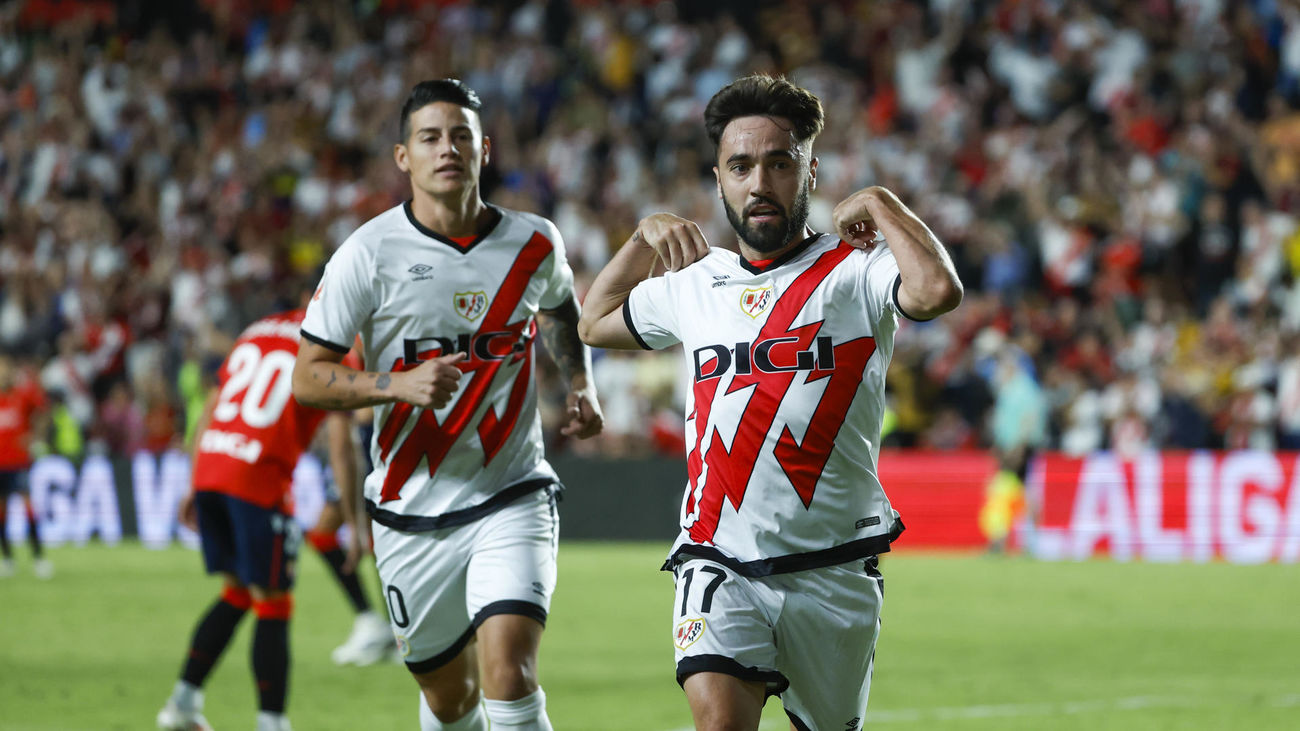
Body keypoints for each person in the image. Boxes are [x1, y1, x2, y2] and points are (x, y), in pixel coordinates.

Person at [577, 74, 963, 731]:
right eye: (741, 166)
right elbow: (594, 320)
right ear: (719, 177)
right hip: (717, 557)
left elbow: (935, 293)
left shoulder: (857, 268)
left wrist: (879, 199)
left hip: (833, 569)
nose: (759, 183)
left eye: (779, 163)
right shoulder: (695, 282)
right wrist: (643, 239)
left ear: (811, 169)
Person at [291, 79, 603, 731]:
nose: (447, 148)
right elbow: (307, 379)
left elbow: (560, 312)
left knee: (510, 675)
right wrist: (391, 384)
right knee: (448, 699)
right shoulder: (367, 255)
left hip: (511, 493)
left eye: (460, 135)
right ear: (403, 157)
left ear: (484, 148)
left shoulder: (534, 241)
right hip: (410, 511)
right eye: (429, 137)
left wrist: (580, 383)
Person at [157, 307, 362, 731]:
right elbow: (342, 445)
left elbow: (215, 402)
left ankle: (181, 705)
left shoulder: (257, 326)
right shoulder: (340, 343)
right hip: (258, 474)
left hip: (214, 462)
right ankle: (272, 723)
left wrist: (195, 481)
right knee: (273, 600)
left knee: (237, 591)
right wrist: (355, 523)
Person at [0, 351, 51, 579]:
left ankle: (39, 558)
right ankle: (7, 559)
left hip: (19, 462)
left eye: (5, 369)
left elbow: (44, 412)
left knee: (29, 510)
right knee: (2, 515)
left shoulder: (23, 395)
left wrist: (35, 436)